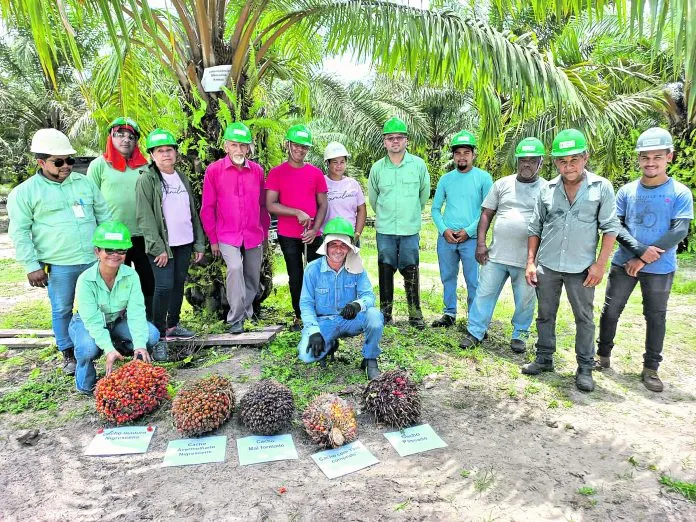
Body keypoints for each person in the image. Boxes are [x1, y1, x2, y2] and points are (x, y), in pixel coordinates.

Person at [596, 128, 693, 392]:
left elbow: (680, 230)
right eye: (645, 157)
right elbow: (616, 225)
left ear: (669, 157)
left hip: (660, 268)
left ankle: (651, 369)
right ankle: (602, 357)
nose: (651, 162)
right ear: (639, 159)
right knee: (610, 310)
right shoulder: (627, 191)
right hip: (623, 263)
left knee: (656, 316)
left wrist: (644, 259)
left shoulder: (680, 193)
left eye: (657, 157)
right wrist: (639, 251)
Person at [7, 129, 112, 375]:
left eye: (69, 160)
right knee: (62, 309)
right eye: (59, 161)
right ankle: (68, 353)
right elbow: (20, 232)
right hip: (58, 265)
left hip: (91, 260)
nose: (66, 166)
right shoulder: (25, 192)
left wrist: (108, 252)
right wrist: (31, 266)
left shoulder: (84, 183)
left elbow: (104, 216)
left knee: (100, 304)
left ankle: (101, 345)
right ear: (41, 162)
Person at [523, 129, 621, 392]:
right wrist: (531, 262)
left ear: (585, 158)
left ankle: (585, 368)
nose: (569, 166)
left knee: (584, 318)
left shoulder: (601, 187)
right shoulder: (547, 189)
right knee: (545, 315)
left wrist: (600, 265)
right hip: (549, 265)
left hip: (582, 269)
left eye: (574, 160)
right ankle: (544, 358)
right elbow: (535, 228)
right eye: (563, 161)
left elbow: (610, 228)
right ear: (556, 163)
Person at [460, 137, 548, 352]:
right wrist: (480, 244)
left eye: (532, 160)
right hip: (496, 255)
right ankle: (475, 332)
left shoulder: (548, 188)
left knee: (525, 300)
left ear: (541, 162)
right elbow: (486, 214)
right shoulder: (502, 184)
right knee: (484, 293)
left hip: (528, 260)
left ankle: (520, 335)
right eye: (522, 160)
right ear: (516, 161)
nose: (526, 165)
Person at [69, 221, 166, 394]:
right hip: (87, 323)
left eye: (121, 250)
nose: (115, 255)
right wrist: (107, 348)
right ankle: (85, 382)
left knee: (151, 335)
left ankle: (119, 349)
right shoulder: (85, 280)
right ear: (97, 251)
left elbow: (136, 312)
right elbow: (92, 320)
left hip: (116, 321)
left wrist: (139, 345)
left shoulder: (131, 275)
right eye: (109, 250)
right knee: (88, 348)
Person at [136, 129, 205, 340]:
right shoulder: (147, 180)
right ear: (152, 155)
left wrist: (199, 243)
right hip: (162, 247)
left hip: (184, 242)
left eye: (169, 150)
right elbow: (144, 217)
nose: (166, 154)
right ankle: (158, 332)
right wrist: (159, 248)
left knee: (178, 284)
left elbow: (192, 212)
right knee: (164, 286)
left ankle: (173, 325)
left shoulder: (181, 177)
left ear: (176, 153)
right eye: (160, 151)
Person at [200, 122, 270, 333]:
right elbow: (207, 207)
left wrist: (265, 234)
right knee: (235, 268)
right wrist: (212, 239)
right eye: (234, 145)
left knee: (251, 275)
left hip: (253, 233)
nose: (239, 150)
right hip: (226, 234)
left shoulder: (257, 171)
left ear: (249, 148)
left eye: (243, 146)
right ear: (226, 146)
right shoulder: (214, 171)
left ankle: (246, 312)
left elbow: (263, 205)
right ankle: (236, 318)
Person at [298, 217, 383, 379]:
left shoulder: (358, 268)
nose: (338, 250)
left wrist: (357, 305)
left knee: (374, 316)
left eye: (343, 245)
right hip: (324, 322)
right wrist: (314, 331)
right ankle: (329, 344)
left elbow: (369, 296)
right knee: (306, 355)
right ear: (326, 247)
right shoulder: (312, 269)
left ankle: (370, 359)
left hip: (349, 320)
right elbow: (306, 303)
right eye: (333, 245)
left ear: (349, 248)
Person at [87, 117, 155, 318]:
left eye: (131, 136)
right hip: (112, 239)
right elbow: (90, 200)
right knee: (116, 283)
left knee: (147, 281)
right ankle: (116, 323)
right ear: (111, 137)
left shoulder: (146, 166)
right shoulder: (99, 165)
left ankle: (147, 320)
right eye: (120, 135)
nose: (126, 140)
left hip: (142, 234)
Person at [368, 117, 430, 327]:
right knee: (385, 267)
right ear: (384, 141)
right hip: (385, 229)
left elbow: (423, 195)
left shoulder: (418, 165)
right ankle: (385, 314)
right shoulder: (377, 168)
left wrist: (410, 213)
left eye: (399, 138)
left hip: (409, 229)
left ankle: (415, 314)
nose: (395, 141)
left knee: (411, 268)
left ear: (406, 141)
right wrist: (386, 215)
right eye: (390, 138)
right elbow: (374, 198)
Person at [266, 124, 328, 330]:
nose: (300, 150)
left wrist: (314, 229)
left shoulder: (316, 173)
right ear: (288, 145)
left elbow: (323, 204)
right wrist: (296, 212)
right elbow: (270, 205)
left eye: (304, 147)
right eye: (296, 145)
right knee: (296, 275)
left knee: (316, 274)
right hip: (288, 234)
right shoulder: (276, 173)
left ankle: (319, 312)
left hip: (313, 234)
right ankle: (300, 315)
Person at [431, 130, 493, 328]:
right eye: (458, 153)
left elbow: (488, 210)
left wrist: (469, 231)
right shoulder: (446, 179)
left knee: (473, 280)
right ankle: (449, 313)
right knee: (448, 277)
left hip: (472, 239)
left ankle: (474, 319)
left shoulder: (483, 178)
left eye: (466, 152)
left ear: (473, 154)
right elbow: (435, 209)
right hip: (447, 238)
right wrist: (444, 230)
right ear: (454, 156)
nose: (462, 157)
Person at [322, 142, 367, 245]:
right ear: (328, 163)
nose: (339, 166)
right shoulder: (321, 182)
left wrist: (357, 234)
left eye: (342, 162)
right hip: (327, 237)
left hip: (349, 236)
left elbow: (362, 209)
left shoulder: (353, 184)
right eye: (335, 162)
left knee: (351, 262)